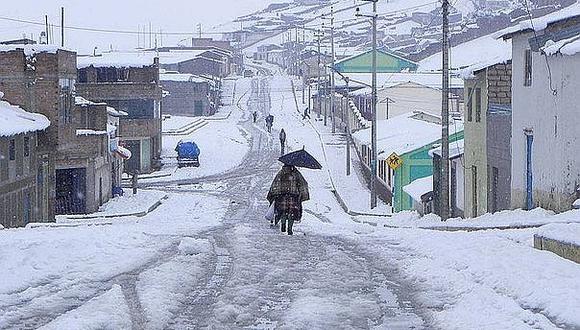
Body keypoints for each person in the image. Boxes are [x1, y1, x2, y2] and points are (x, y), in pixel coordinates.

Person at [267, 165, 309, 235]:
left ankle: (283, 225)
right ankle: (290, 229)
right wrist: (303, 195)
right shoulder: (296, 174)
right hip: (293, 196)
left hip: (282, 196)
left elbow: (275, 184)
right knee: (292, 213)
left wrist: (272, 194)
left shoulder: (280, 173)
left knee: (283, 211)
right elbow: (303, 184)